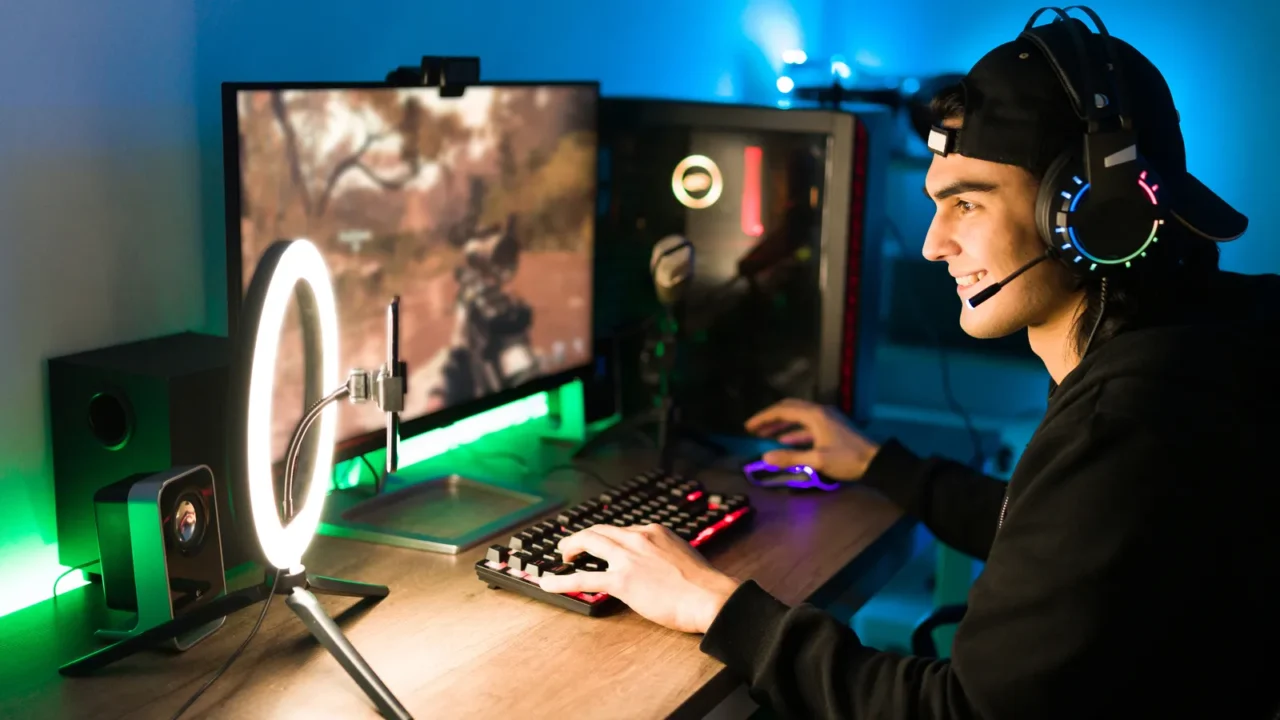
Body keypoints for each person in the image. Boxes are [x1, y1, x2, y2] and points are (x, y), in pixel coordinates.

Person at [540, 9, 1280, 719]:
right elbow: (1057, 536)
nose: (932, 244)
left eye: (967, 204)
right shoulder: (1198, 341)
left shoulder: (1129, 423)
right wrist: (878, 464)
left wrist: (711, 603)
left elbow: (958, 711)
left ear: (1090, 214)